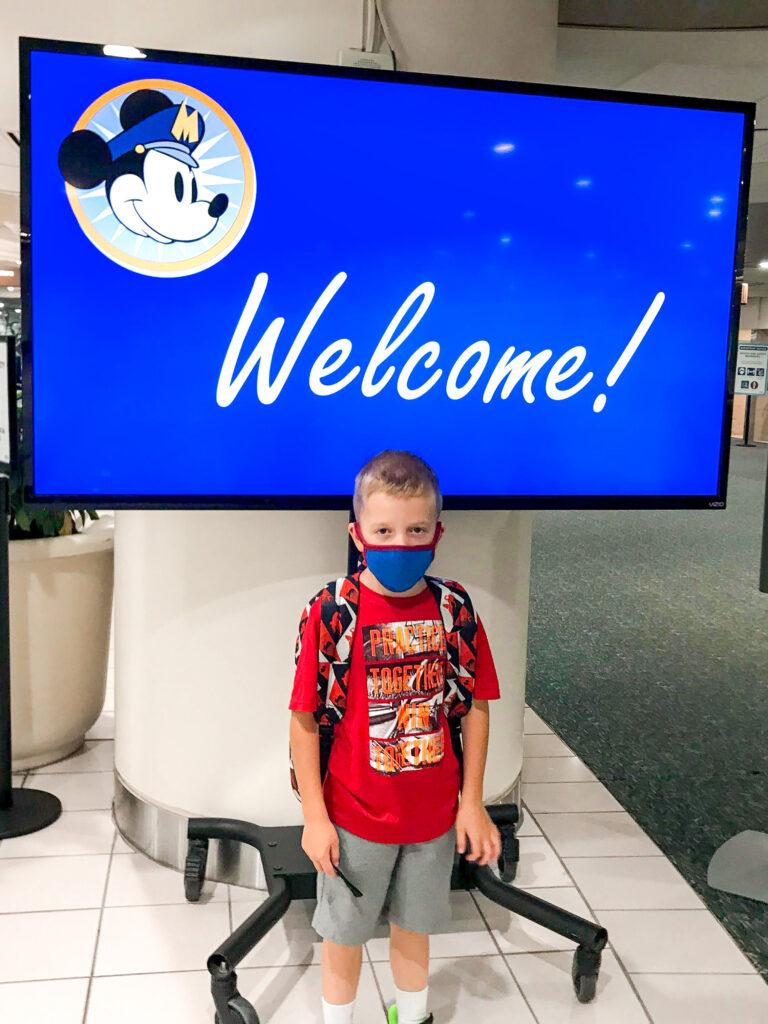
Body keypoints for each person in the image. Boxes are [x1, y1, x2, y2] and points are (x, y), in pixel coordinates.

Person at [288, 450, 502, 1024]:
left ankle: (411, 1015)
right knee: (345, 934)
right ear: (357, 534)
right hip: (355, 817)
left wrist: (473, 803)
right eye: (384, 530)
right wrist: (314, 815)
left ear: (438, 532)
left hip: (433, 817)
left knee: (415, 926)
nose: (401, 544)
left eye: (416, 530)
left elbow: (475, 707)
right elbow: (305, 719)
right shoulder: (333, 613)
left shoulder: (455, 609)